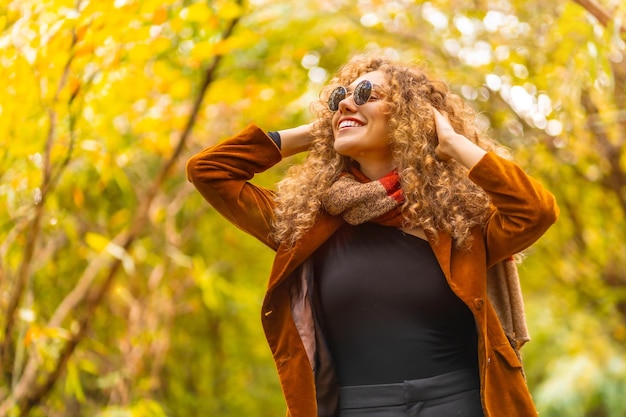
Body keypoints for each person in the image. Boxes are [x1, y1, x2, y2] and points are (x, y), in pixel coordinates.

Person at [186, 54, 559, 417]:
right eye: (338, 100)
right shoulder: (304, 221)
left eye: (366, 94)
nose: (346, 102)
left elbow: (536, 211)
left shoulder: (461, 222)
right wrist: (315, 133)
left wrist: (453, 143)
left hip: (461, 402)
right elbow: (209, 171)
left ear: (412, 119)